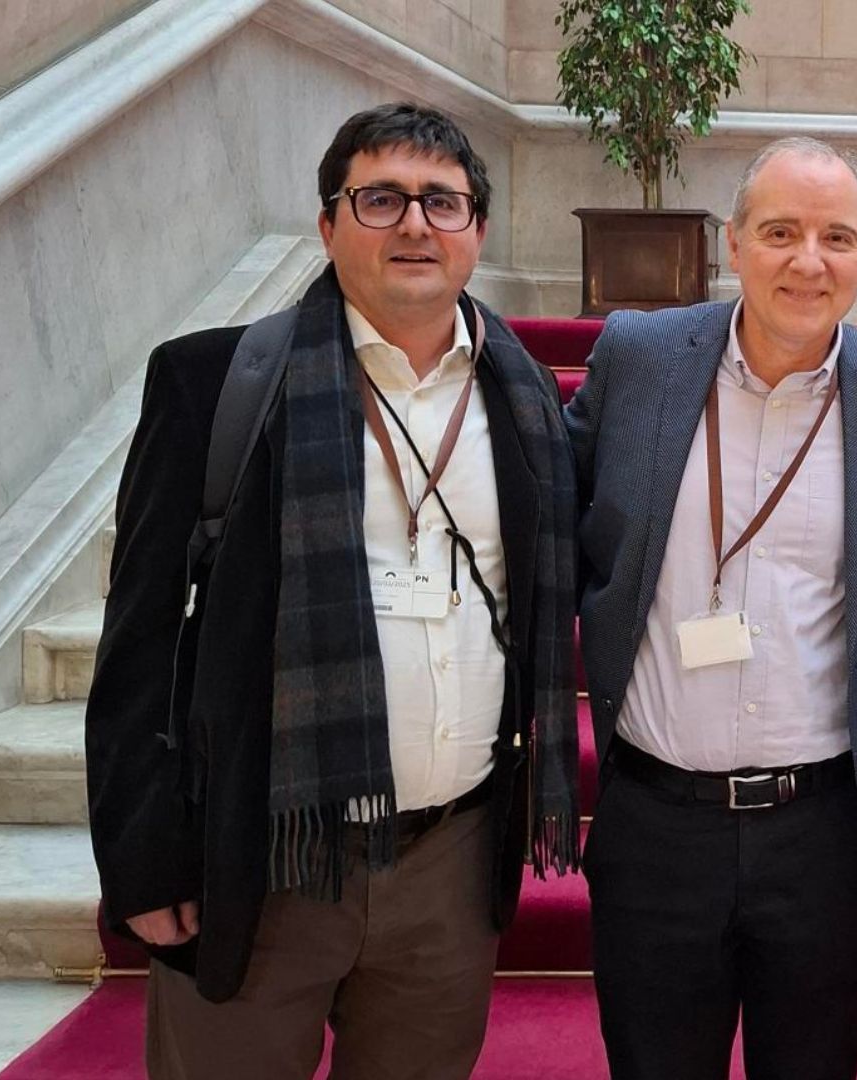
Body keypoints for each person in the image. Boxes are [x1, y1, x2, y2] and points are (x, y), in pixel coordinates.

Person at [84, 102, 581, 1079]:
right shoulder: (215, 383)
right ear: (328, 223)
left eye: (443, 202)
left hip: (451, 857)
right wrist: (141, 860)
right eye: (380, 198)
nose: (413, 225)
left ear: (478, 229)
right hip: (260, 853)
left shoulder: (529, 404)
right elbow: (137, 639)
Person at [565, 136, 857, 1080]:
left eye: (837, 236)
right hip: (657, 823)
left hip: (820, 834)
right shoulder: (641, 358)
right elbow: (548, 513)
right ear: (733, 244)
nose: (808, 261)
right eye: (780, 231)